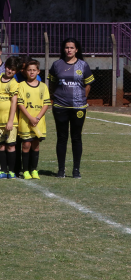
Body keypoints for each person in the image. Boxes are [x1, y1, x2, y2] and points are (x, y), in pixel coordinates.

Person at [48, 38, 94, 179]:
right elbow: (52, 84)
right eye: (67, 47)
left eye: (72, 48)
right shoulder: (56, 65)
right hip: (60, 106)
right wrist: (55, 97)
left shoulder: (83, 65)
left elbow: (88, 84)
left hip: (78, 107)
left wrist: (82, 98)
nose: (69, 50)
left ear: (77, 50)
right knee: (62, 138)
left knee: (76, 137)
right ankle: (61, 170)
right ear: (63, 49)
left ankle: (76, 170)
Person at [18, 60, 51, 180]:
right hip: (26, 121)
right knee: (26, 144)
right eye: (29, 70)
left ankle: (34, 170)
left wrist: (37, 117)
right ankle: (25, 170)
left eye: (34, 70)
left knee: (36, 145)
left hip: (38, 121)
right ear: (25, 71)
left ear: (38, 71)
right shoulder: (21, 85)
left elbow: (46, 104)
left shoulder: (43, 86)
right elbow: (20, 104)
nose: (31, 72)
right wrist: (30, 117)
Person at [0, 56, 20, 179]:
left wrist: (10, 120)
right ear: (5, 67)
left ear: (16, 72)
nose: (10, 71)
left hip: (10, 121)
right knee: (1, 145)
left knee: (11, 145)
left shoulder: (14, 83)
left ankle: (12, 171)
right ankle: (2, 170)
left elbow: (14, 103)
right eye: (9, 68)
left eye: (13, 70)